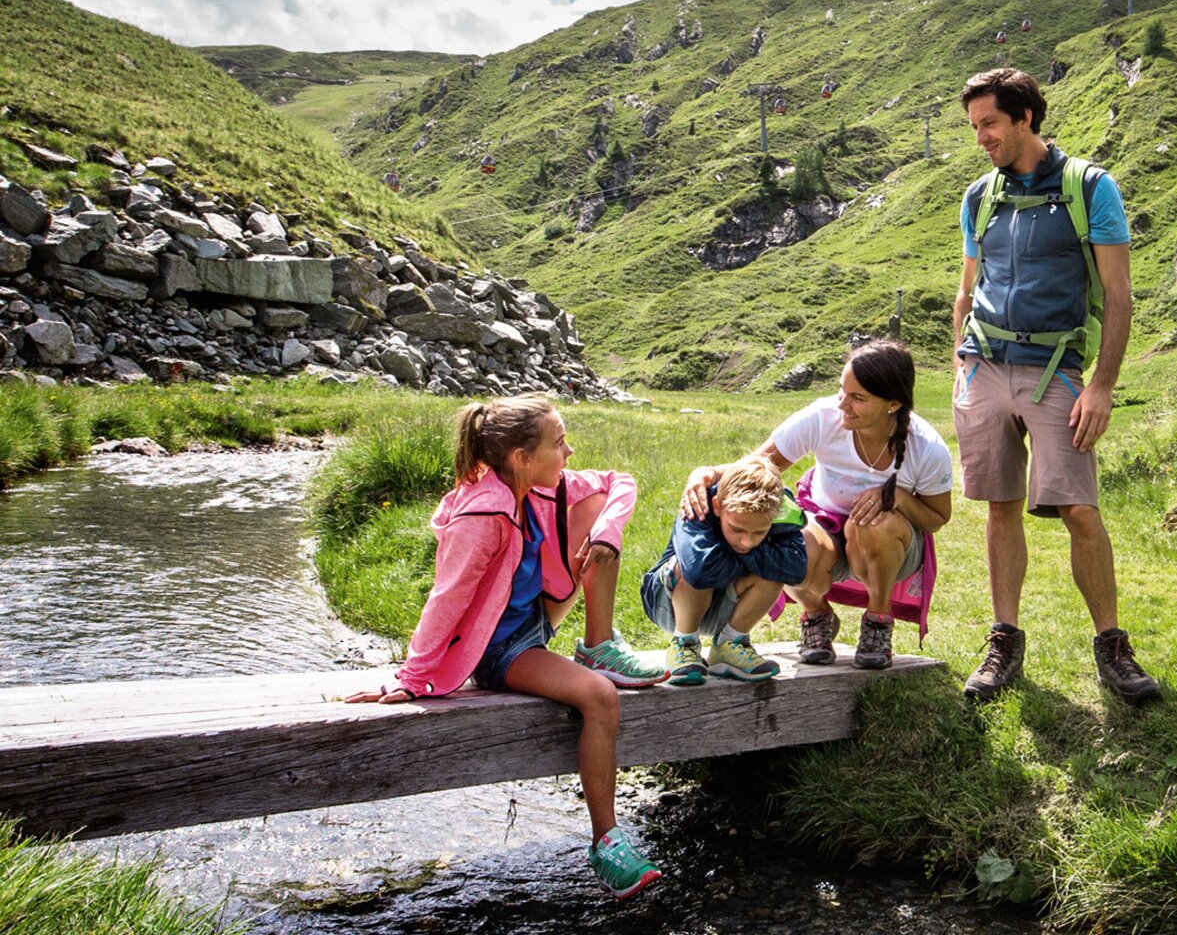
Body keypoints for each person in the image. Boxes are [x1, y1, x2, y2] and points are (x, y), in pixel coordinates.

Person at [347, 396, 666, 899]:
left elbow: (619, 482)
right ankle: (606, 843)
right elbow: (447, 598)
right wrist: (413, 678)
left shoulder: (539, 487)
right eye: (558, 443)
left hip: (536, 616)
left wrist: (606, 531)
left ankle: (598, 643)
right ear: (521, 458)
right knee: (600, 697)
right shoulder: (485, 513)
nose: (569, 451)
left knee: (597, 508)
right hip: (499, 648)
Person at [950, 66, 1162, 703]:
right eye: (975, 126)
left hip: (1056, 371)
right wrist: (960, 361)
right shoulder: (977, 196)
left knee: (1078, 508)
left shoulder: (1090, 187)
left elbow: (1120, 295)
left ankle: (1112, 646)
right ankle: (1004, 642)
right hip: (984, 365)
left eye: (990, 124)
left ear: (1025, 119)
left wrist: (1102, 386)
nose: (981, 137)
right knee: (1000, 507)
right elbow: (966, 284)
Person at [678, 340, 953, 672]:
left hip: (892, 542)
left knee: (869, 524)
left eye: (858, 398)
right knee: (790, 546)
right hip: (825, 524)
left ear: (893, 404)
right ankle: (816, 612)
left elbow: (937, 518)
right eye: (842, 391)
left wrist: (899, 499)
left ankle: (878, 621)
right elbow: (760, 464)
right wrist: (706, 473)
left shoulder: (927, 447)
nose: (843, 404)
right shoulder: (823, 418)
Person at [642, 453, 810, 686]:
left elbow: (796, 570)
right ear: (718, 506)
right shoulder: (697, 502)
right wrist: (761, 557)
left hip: (721, 600)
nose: (746, 541)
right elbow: (700, 570)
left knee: (775, 574)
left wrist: (736, 556)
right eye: (737, 529)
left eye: (759, 532)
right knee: (691, 567)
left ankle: (730, 644)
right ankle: (684, 643)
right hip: (668, 603)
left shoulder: (782, 507)